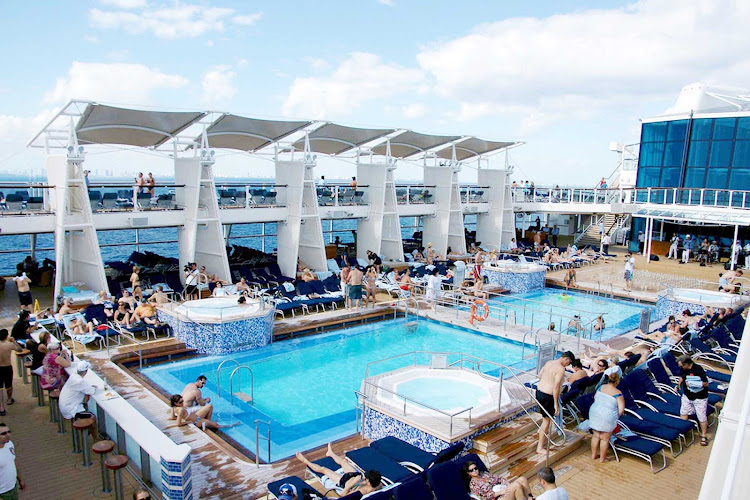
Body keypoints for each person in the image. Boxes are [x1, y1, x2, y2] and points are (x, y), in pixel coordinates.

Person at [296, 444, 382, 496]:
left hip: (344, 481)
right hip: (355, 475)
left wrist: (351, 484)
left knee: (324, 469)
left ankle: (305, 461)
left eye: (366, 479)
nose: (364, 478)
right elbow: (368, 483)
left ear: (369, 482)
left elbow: (343, 495)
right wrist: (361, 480)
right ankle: (330, 453)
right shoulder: (379, 485)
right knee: (344, 462)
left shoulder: (362, 491)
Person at [535, 351, 575, 453]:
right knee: (547, 421)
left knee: (545, 417)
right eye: (569, 363)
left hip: (539, 392)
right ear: (566, 359)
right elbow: (556, 387)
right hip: (548, 396)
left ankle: (540, 431)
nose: (568, 365)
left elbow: (539, 375)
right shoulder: (561, 369)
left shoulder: (549, 362)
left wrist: (548, 381)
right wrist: (556, 403)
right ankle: (540, 447)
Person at [58, 361, 100, 440]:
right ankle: (95, 438)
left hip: (64, 406)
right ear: (86, 371)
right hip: (70, 409)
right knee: (92, 417)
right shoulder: (79, 381)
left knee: (86, 405)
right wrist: (92, 388)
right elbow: (92, 391)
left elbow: (85, 389)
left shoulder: (73, 377)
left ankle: (89, 432)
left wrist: (88, 390)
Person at [588, 371, 624, 462]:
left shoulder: (601, 387)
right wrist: (615, 417)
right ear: (617, 382)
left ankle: (593, 455)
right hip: (607, 415)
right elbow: (621, 410)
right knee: (605, 438)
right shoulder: (618, 393)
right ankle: (602, 459)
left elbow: (596, 398)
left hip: (595, 412)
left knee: (596, 435)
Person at [676, 355, 710, 445]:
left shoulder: (698, 369)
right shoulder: (684, 369)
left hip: (700, 397)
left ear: (687, 364)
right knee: (684, 412)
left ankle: (704, 436)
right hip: (687, 396)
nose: (680, 367)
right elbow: (682, 376)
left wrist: (692, 384)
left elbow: (706, 384)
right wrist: (678, 385)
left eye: (681, 366)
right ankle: (684, 431)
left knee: (701, 416)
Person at [464, 460, 532, 500]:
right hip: (497, 497)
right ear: (468, 473)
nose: (475, 471)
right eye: (471, 470)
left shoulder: (484, 473)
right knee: (517, 486)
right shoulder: (473, 484)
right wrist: (499, 493)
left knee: (522, 479)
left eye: (475, 468)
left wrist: (507, 484)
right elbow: (483, 497)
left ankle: (530, 498)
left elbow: (499, 478)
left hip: (502, 490)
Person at [169, 394, 234, 431]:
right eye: (180, 402)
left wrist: (181, 417)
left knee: (209, 406)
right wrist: (188, 422)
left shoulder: (173, 407)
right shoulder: (180, 410)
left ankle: (208, 422)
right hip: (196, 421)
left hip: (197, 416)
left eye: (182, 401)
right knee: (216, 425)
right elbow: (178, 424)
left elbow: (172, 417)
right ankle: (230, 425)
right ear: (175, 403)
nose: (182, 403)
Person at [0, 331, 23, 416]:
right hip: (7, 366)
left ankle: (1, 407)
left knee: (0, 388)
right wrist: (13, 341)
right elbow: (20, 349)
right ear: (6, 336)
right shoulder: (9, 345)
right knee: (8, 385)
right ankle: (9, 399)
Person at [0, 422, 25, 498]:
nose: (8, 435)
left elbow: (14, 461)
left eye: (9, 432)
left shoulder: (9, 444)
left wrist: (20, 479)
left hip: (13, 488)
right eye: (4, 433)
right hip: (2, 493)